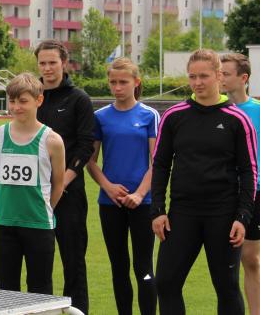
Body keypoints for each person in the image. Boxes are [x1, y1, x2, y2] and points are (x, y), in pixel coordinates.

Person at [152, 49, 257, 314]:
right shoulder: (174, 116)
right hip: (182, 213)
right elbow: (160, 165)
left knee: (227, 286)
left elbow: (249, 171)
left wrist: (242, 216)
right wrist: (158, 210)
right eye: (192, 77)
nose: (197, 82)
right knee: (166, 282)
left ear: (219, 76)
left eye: (204, 76)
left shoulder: (238, 119)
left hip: (223, 214)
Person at [87, 57, 158, 315]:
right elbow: (90, 161)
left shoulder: (149, 115)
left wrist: (139, 194)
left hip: (143, 204)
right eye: (113, 82)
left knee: (143, 267)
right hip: (110, 203)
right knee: (119, 267)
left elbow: (157, 162)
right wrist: (107, 186)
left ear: (136, 82)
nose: (117, 87)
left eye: (123, 82)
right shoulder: (100, 117)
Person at [34, 39, 94, 314]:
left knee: (73, 261)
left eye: (52, 63)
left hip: (69, 194)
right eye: (42, 63)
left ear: (64, 64)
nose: (47, 68)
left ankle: (78, 310)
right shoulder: (32, 96)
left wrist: (62, 182)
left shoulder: (78, 99)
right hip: (35, 195)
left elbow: (85, 146)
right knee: (38, 263)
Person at [0, 73, 64, 294]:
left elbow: (58, 184)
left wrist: (43, 209)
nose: (16, 107)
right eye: (12, 101)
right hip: (4, 224)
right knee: (6, 291)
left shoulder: (52, 140)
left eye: (23, 101)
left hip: (39, 225)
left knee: (40, 291)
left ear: (38, 100)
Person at [221, 52, 260, 315]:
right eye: (219, 73)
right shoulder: (216, 110)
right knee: (225, 264)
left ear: (243, 78)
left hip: (254, 193)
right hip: (222, 194)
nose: (220, 78)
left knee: (251, 260)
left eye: (225, 74)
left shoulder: (257, 111)